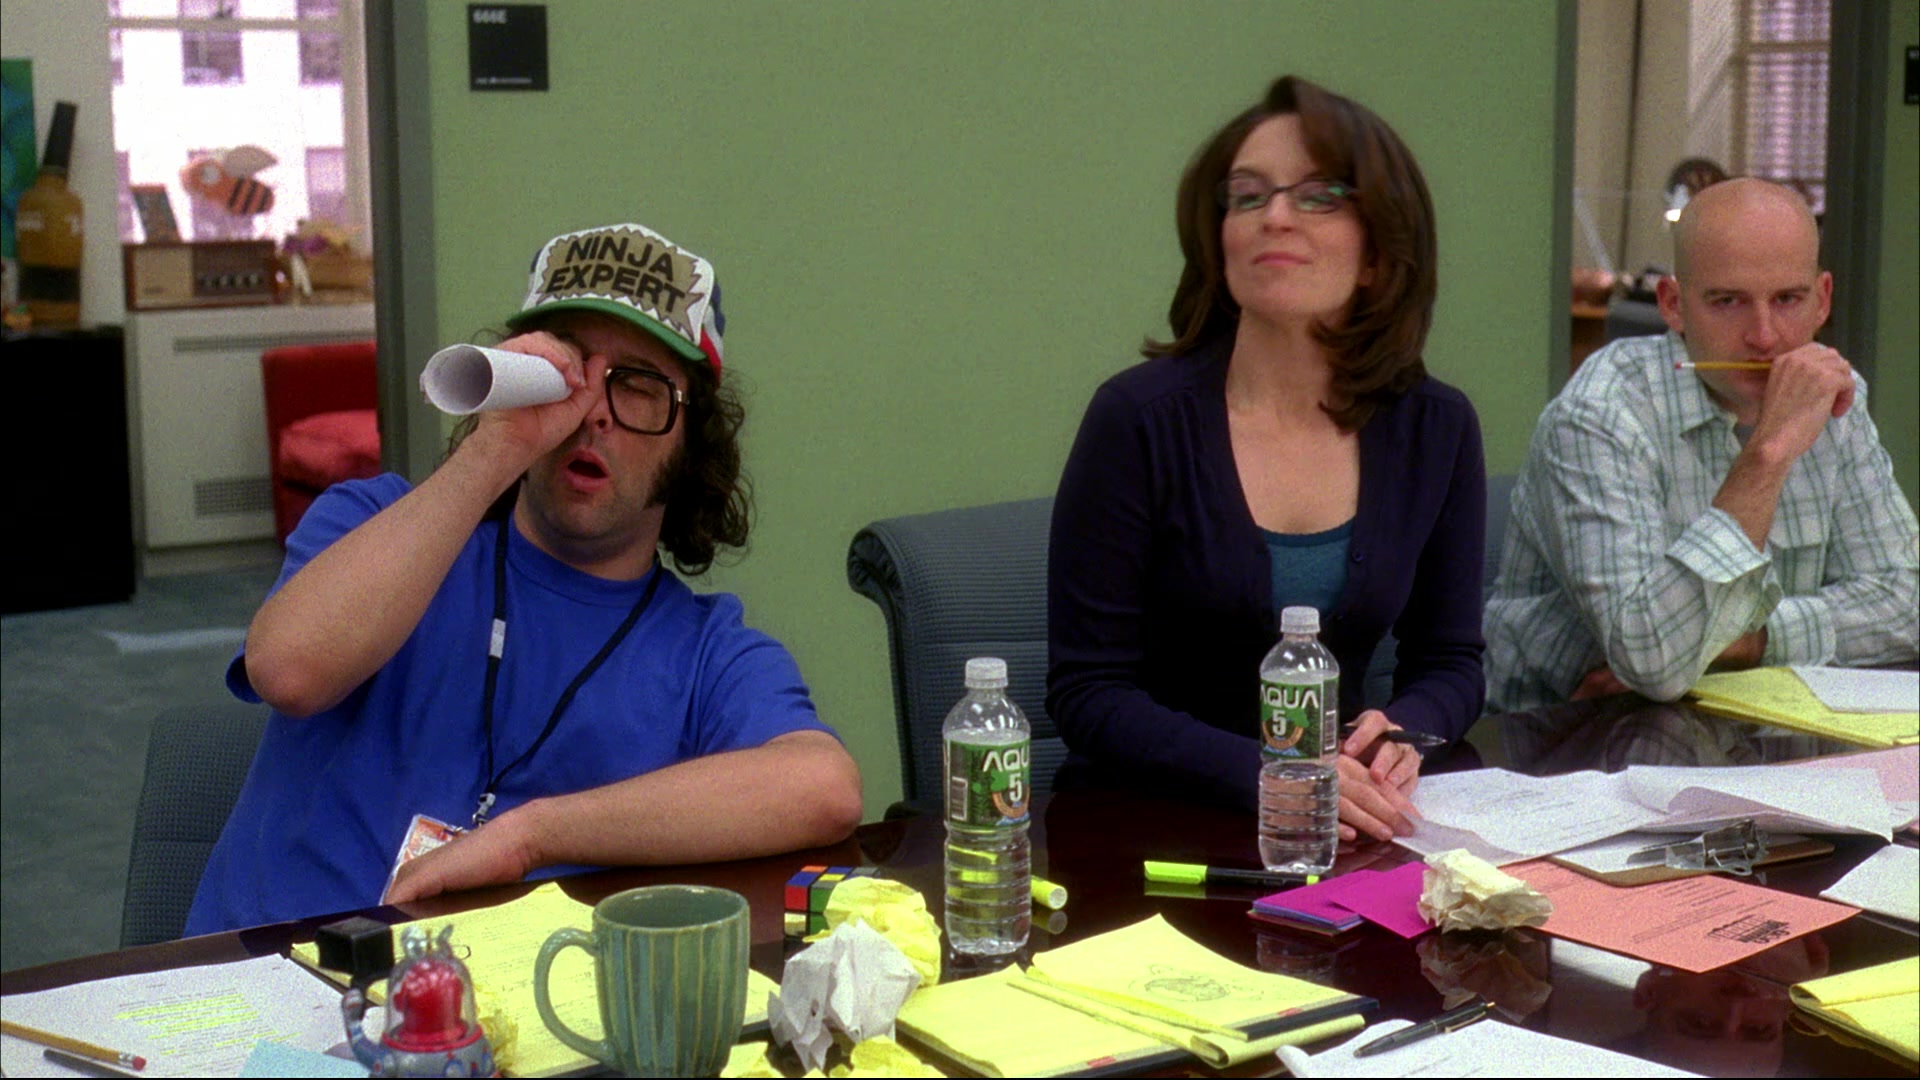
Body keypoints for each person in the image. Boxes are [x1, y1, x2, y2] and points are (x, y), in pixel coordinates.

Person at [185, 222, 863, 934]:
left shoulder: (704, 651)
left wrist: (532, 835)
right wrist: (495, 449)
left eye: (638, 386)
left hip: (498, 1000)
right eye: (567, 373)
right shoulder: (372, 521)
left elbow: (823, 788)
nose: (592, 414)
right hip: (268, 983)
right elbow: (288, 671)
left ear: (693, 442)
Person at [1047, 76, 1487, 845]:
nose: (1273, 216)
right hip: (1152, 836)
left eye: (1318, 196)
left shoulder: (1436, 426)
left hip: (1340, 831)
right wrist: (1265, 774)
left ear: (1379, 254)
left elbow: (1451, 660)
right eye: (1247, 196)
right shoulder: (1137, 420)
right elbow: (1088, 692)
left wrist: (1406, 731)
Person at [1486, 179, 1919, 713]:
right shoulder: (1599, 414)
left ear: (1822, 299)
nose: (1764, 336)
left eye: (1788, 299)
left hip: (1755, 724)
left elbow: (1907, 602)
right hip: (1569, 737)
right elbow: (1653, 657)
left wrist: (1744, 643)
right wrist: (1769, 453)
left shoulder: (1834, 397)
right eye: (1728, 301)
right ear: (1673, 305)